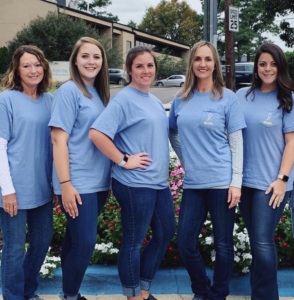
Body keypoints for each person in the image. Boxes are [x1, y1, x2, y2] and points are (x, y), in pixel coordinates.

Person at [89, 46, 175, 300]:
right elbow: (97, 134)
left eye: (150, 65)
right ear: (129, 70)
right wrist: (124, 159)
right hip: (134, 183)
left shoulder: (155, 101)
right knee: (133, 241)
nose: (146, 70)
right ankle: (133, 295)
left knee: (164, 233)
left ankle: (143, 290)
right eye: (139, 66)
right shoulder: (124, 99)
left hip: (158, 183)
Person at [169, 41, 246, 300]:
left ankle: (218, 294)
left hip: (222, 182)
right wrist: (185, 159)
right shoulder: (180, 100)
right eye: (198, 59)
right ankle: (201, 291)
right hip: (193, 183)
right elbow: (173, 131)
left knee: (223, 244)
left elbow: (236, 141)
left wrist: (236, 182)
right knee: (185, 243)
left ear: (215, 64)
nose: (203, 64)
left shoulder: (228, 97)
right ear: (191, 63)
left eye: (208, 59)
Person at [49, 37, 112, 300]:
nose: (91, 61)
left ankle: (68, 293)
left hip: (98, 182)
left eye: (96, 57)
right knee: (85, 243)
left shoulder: (99, 93)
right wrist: (64, 184)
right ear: (75, 60)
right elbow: (58, 139)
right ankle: (71, 296)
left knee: (76, 242)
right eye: (85, 56)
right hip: (77, 182)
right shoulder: (69, 91)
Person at [236, 43, 294, 300]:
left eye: (273, 63)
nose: (267, 68)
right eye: (262, 64)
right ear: (256, 68)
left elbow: (292, 142)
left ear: (280, 66)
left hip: (271, 183)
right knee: (257, 242)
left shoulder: (288, 98)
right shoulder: (242, 96)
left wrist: (282, 180)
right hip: (244, 181)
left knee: (262, 242)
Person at [0, 45, 55, 300]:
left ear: (43, 67)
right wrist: (7, 190)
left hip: (42, 187)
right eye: (26, 65)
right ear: (17, 70)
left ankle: (28, 291)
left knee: (42, 242)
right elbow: (0, 147)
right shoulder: (7, 99)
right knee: (13, 248)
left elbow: (57, 146)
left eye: (37, 64)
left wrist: (56, 185)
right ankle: (13, 296)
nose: (33, 70)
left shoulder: (51, 101)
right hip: (15, 189)